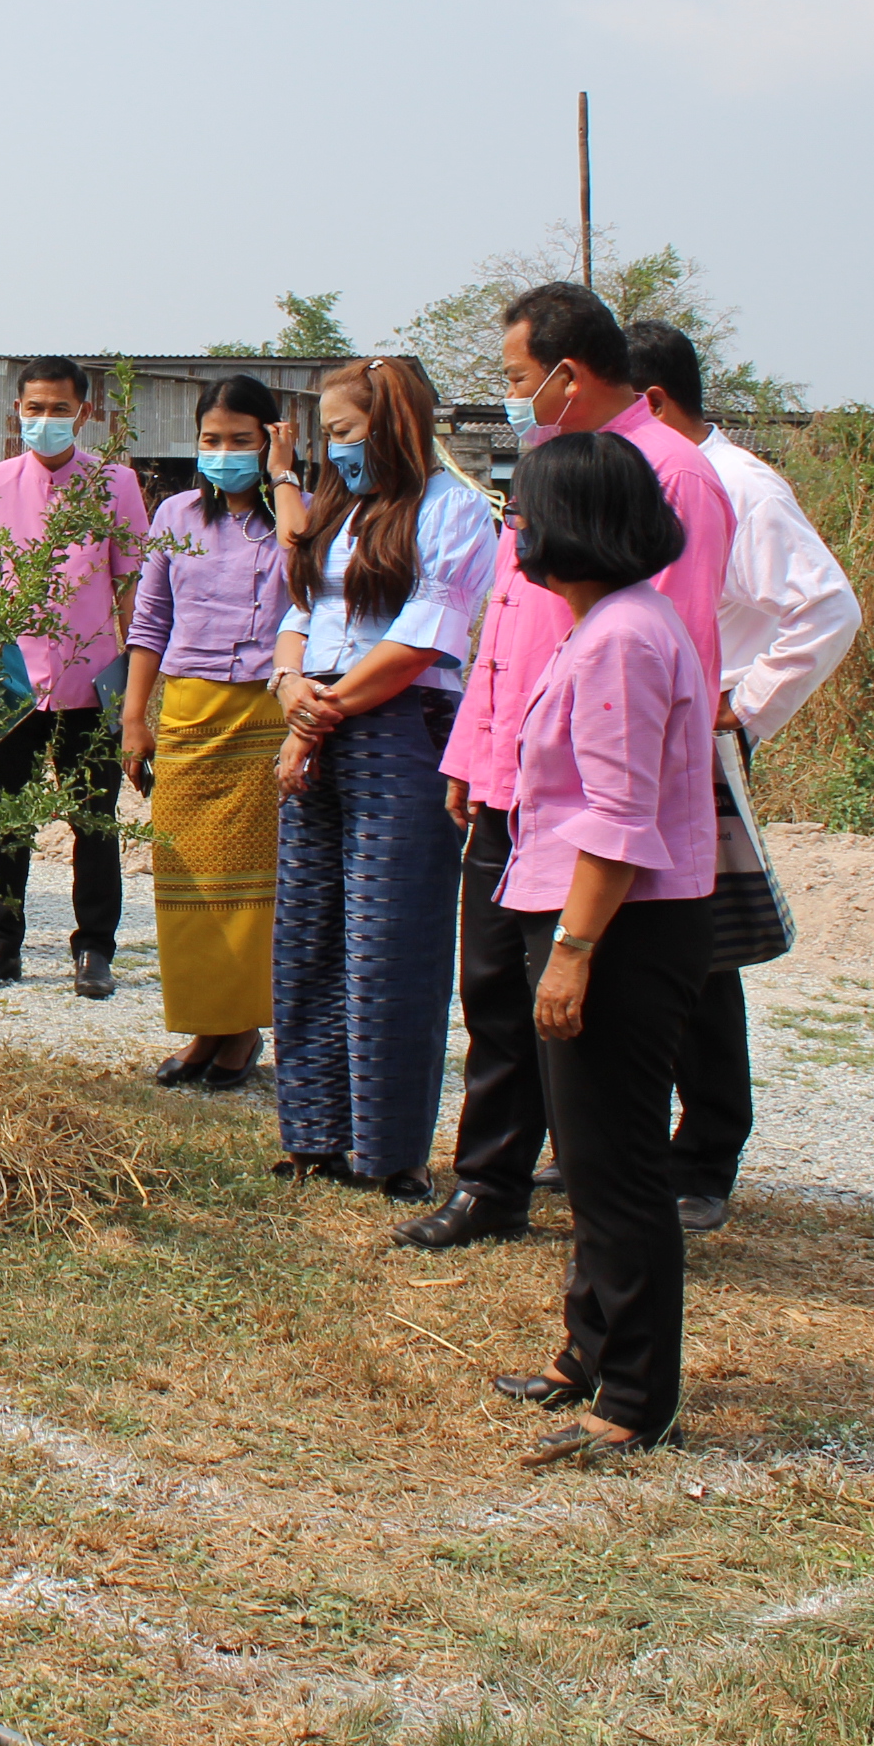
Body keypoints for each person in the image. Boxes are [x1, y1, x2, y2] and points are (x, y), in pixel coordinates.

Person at [402, 285, 734, 1250]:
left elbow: (674, 649)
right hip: (510, 776)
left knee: (583, 1004)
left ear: (568, 375)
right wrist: (471, 754)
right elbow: (502, 623)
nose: (512, 396)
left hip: (593, 806)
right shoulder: (549, 465)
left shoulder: (673, 475)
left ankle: (616, 1188)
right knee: (495, 989)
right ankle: (490, 1181)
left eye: (515, 379)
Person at [482, 432, 715, 1466]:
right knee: (584, 1157)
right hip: (583, 914)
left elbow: (619, 816)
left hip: (615, 926)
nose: (514, 531)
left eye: (526, 514)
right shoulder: (606, 625)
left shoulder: (624, 636)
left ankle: (635, 1399)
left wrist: (574, 952)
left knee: (617, 1166)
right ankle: (588, 1351)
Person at [627, 319, 862, 1234]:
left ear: (648, 401)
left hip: (703, 733)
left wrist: (746, 704)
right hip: (642, 729)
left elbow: (826, 607)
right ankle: (632, 1142)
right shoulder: (648, 476)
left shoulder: (739, 485)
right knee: (636, 934)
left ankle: (708, 1154)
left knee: (702, 947)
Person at [266, 356, 497, 1195]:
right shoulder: (338, 510)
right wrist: (295, 691)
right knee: (308, 936)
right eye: (328, 435)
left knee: (389, 945)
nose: (333, 451)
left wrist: (319, 715)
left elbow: (422, 641)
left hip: (400, 733)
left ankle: (389, 1153)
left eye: (343, 432)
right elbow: (299, 616)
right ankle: (315, 1135)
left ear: (393, 423)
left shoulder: (456, 513)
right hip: (315, 724)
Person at [120, 376, 302, 1090]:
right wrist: (135, 718)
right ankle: (206, 1028)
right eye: (211, 441)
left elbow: (308, 572)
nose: (224, 454)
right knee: (188, 884)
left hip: (266, 713)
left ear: (272, 440)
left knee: (256, 888)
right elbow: (149, 623)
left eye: (241, 441)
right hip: (189, 714)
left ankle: (242, 1032)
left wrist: (284, 477)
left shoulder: (302, 513)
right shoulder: (174, 513)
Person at [0, 357, 149, 998]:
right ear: (17, 411)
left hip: (92, 682)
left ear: (84, 413)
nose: (45, 420)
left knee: (95, 820)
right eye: (34, 408)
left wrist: (135, 695)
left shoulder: (115, 483)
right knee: (5, 818)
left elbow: (131, 588)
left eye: (58, 409)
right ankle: (0, 941)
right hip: (11, 681)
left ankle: (95, 948)